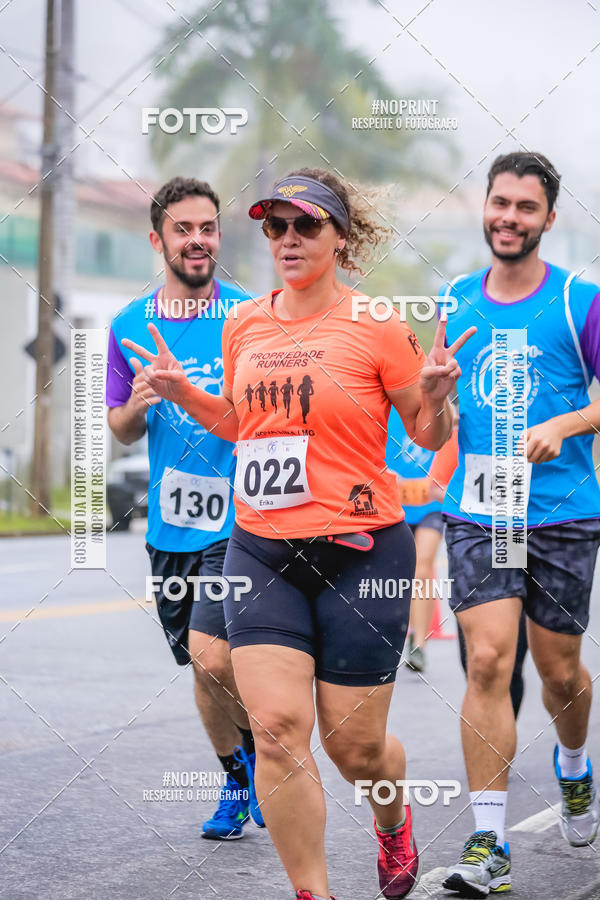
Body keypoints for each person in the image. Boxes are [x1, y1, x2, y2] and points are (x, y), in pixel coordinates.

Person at [122, 167, 474, 900]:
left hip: (362, 553)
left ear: (341, 239)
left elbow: (425, 427)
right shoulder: (245, 322)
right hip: (259, 551)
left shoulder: (376, 322)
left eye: (304, 224)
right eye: (274, 225)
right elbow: (244, 424)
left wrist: (438, 401)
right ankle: (313, 892)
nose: (286, 238)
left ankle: (391, 817)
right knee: (279, 731)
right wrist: (189, 396)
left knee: (354, 749)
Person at [440, 152, 600, 897]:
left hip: (563, 514)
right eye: (499, 203)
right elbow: (431, 417)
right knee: (487, 663)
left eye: (525, 208)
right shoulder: (453, 303)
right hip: (481, 509)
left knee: (561, 672)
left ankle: (573, 764)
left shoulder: (579, 301)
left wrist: (566, 423)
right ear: (486, 206)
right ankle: (489, 843)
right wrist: (433, 397)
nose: (508, 217)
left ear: (547, 219)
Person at [106, 176, 264, 840]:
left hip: (242, 521)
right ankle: (240, 771)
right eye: (183, 229)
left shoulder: (252, 316)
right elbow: (116, 427)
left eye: (207, 228)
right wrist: (141, 404)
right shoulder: (127, 326)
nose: (197, 240)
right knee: (199, 665)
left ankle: (263, 760)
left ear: (218, 237)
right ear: (157, 239)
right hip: (172, 523)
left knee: (215, 657)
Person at [385, 408, 458, 672]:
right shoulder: (388, 408)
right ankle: (397, 634)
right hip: (393, 505)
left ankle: (418, 645)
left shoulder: (437, 407)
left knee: (423, 566)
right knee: (393, 573)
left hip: (430, 508)